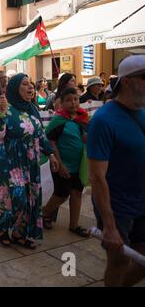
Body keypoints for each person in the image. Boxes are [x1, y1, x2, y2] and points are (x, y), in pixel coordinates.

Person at [88, 55, 145, 287]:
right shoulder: (103, 120)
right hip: (118, 207)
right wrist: (109, 226)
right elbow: (97, 177)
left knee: (142, 262)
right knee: (119, 262)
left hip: (142, 200)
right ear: (129, 81)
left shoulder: (143, 111)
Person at [0, 73, 59, 249]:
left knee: (29, 198)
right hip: (9, 162)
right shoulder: (5, 108)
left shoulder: (32, 109)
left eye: (31, 84)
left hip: (30, 162)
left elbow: (41, 135)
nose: (30, 87)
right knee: (13, 198)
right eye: (25, 84)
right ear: (14, 88)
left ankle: (19, 233)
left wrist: (50, 154)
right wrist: (2, 113)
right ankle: (2, 228)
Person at [42, 87, 90, 237]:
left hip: (79, 165)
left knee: (77, 193)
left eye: (75, 99)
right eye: (68, 100)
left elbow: (87, 136)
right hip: (61, 164)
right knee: (62, 194)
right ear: (61, 103)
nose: (73, 103)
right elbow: (50, 141)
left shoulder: (83, 118)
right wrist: (60, 164)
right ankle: (43, 214)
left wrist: (86, 138)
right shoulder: (58, 120)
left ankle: (74, 225)